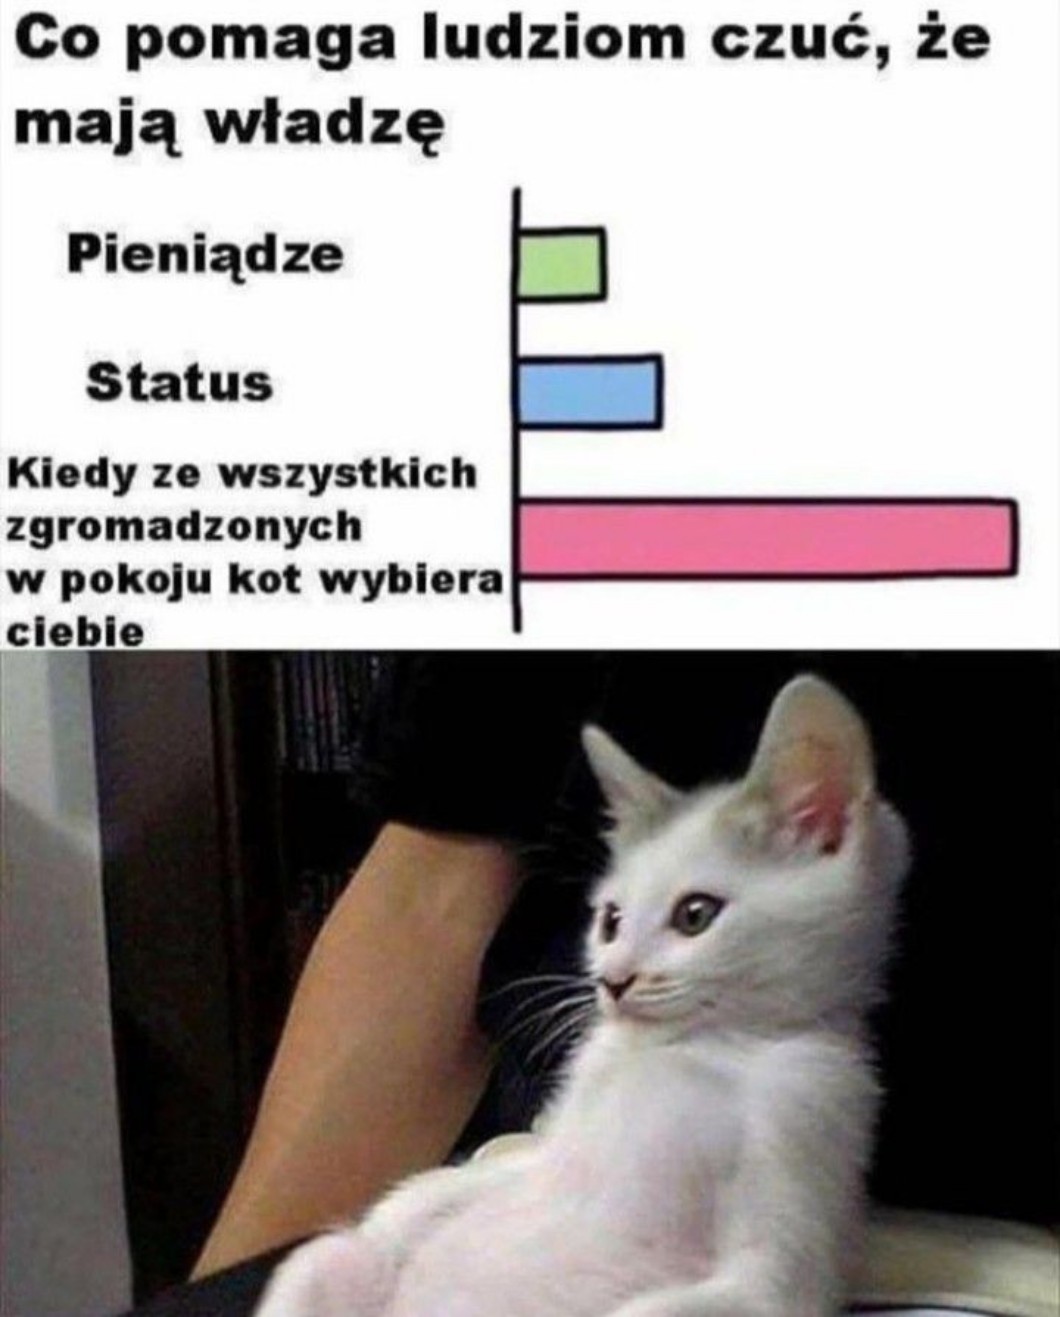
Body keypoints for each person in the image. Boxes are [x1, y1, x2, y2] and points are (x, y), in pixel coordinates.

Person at [133, 654, 1055, 1315]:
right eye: (610, 923)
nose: (614, 971)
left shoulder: (802, 1083)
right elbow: (427, 896)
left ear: (828, 835)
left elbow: (775, 1284)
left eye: (693, 917)